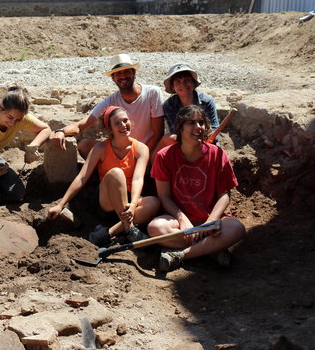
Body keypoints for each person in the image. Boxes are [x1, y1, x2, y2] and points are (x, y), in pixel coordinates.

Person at [148, 105, 245, 272]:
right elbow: (164, 196)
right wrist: (181, 219)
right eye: (191, 123)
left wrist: (210, 222)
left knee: (236, 229)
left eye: (201, 122)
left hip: (210, 222)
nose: (198, 127)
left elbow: (224, 195)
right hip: (181, 223)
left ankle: (180, 255)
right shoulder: (164, 156)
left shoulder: (217, 154)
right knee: (155, 228)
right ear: (180, 127)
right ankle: (211, 250)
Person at [47, 106, 160, 246]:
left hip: (128, 204)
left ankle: (110, 233)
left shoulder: (141, 148)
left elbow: (138, 179)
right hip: (106, 202)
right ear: (109, 128)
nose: (123, 125)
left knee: (154, 203)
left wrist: (133, 205)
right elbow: (82, 177)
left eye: (125, 120)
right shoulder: (100, 148)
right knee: (116, 173)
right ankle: (130, 228)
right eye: (117, 123)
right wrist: (60, 205)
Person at [50, 54, 164, 159]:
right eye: (119, 73)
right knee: (84, 145)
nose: (123, 76)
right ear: (113, 78)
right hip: (122, 150)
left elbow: (157, 133)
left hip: (147, 151)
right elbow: (81, 125)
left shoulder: (152, 93)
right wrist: (61, 131)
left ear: (134, 73)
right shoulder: (111, 101)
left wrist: (139, 156)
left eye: (126, 72)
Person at [0, 86, 51, 206]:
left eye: (18, 120)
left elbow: (45, 129)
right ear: (1, 106)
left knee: (17, 194)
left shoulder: (20, 118)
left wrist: (33, 146)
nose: (12, 123)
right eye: (10, 117)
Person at [151, 62, 220, 164]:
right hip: (183, 143)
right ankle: (153, 169)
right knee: (169, 138)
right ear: (173, 87)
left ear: (193, 82)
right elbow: (176, 132)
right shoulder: (169, 105)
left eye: (187, 80)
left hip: (205, 140)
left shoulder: (207, 101)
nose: (183, 85)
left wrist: (206, 139)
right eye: (178, 82)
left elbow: (214, 128)